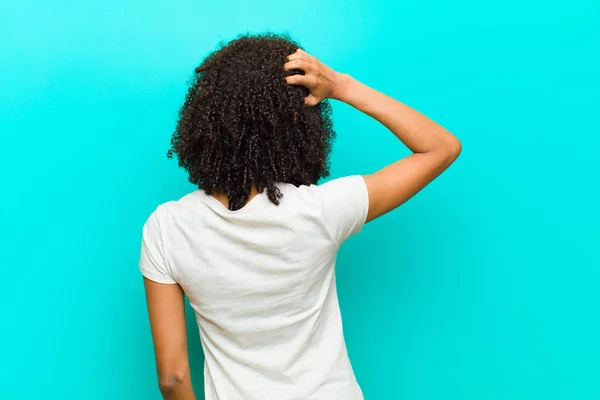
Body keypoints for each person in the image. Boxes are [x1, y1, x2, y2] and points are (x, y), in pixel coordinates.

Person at [139, 33, 461, 400]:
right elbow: (441, 147)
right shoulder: (321, 210)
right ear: (298, 126)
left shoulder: (167, 229)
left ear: (205, 123)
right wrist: (341, 85)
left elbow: (173, 378)